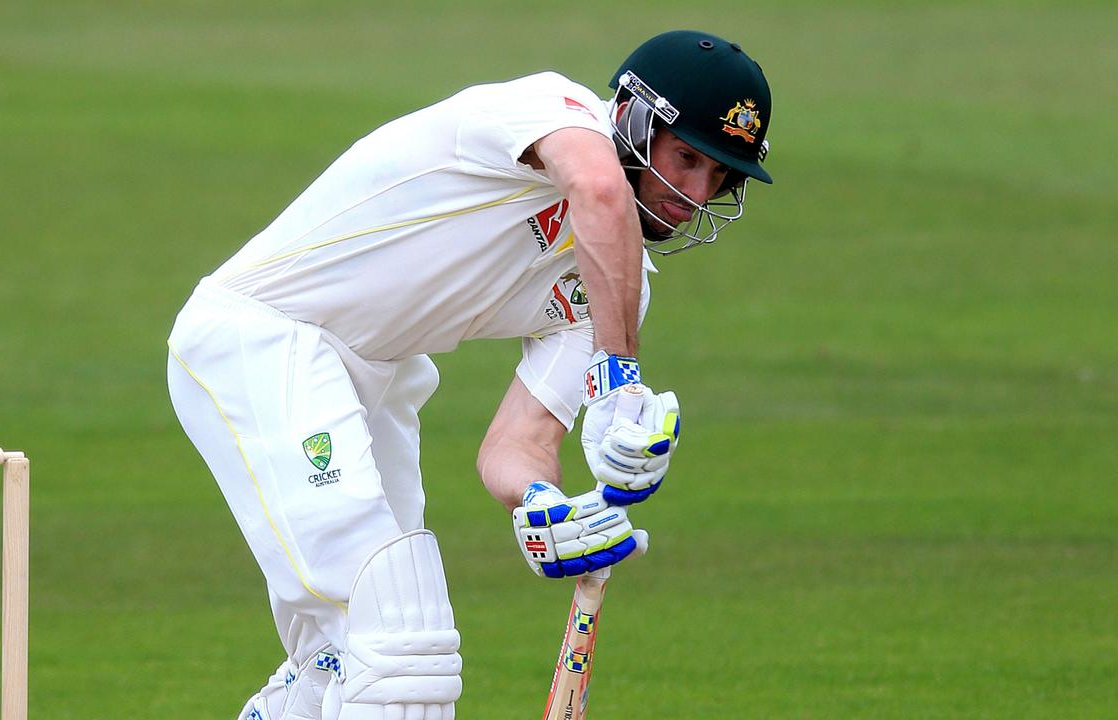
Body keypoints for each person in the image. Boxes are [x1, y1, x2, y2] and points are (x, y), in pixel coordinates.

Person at [166, 29, 772, 720]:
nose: (694, 193)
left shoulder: (615, 296)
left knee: (346, 663)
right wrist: (621, 381)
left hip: (370, 382)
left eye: (720, 176)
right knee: (402, 650)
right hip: (263, 341)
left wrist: (545, 508)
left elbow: (516, 446)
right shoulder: (553, 113)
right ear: (634, 122)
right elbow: (598, 186)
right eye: (686, 158)